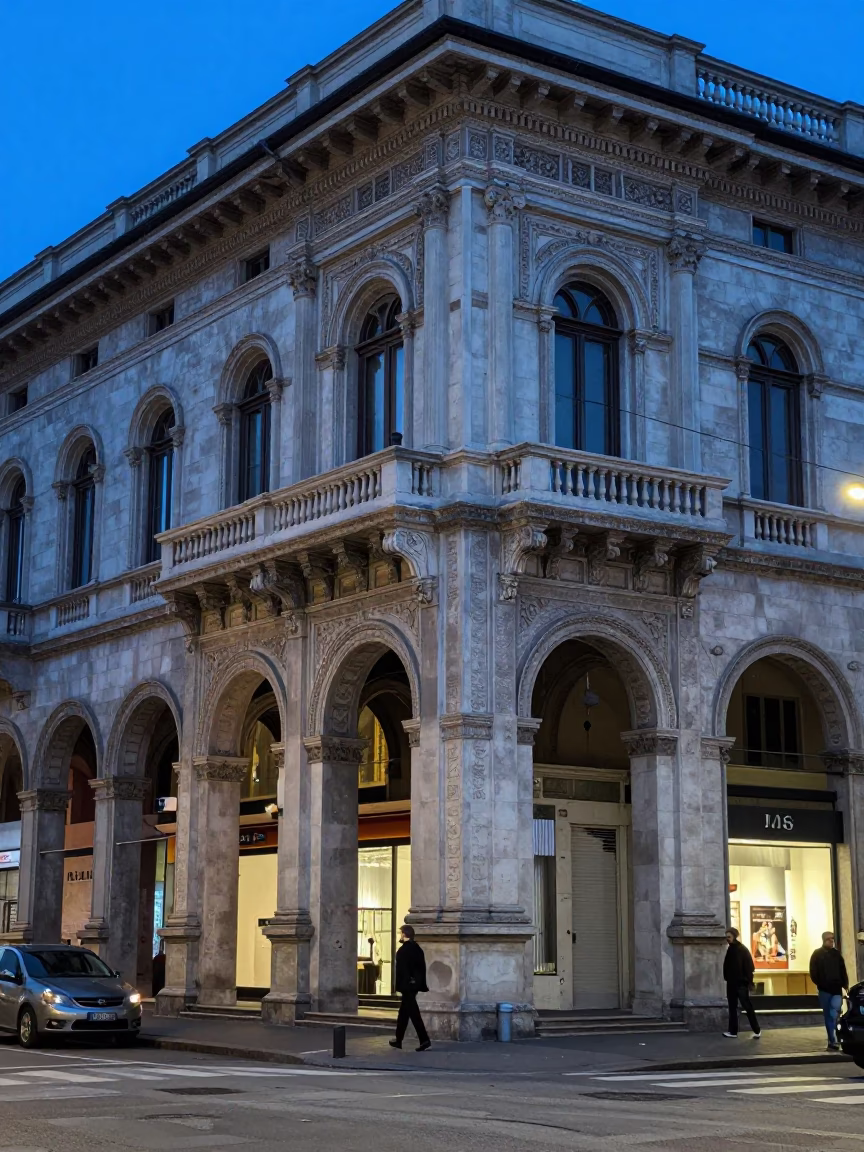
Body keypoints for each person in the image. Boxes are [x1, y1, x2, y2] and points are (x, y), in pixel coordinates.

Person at [389, 924, 431, 1052]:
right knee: (403, 1013)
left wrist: (406, 983)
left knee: (414, 1013)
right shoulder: (417, 948)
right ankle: (398, 1039)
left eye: (401, 933)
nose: (400, 935)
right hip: (414, 985)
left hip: (407, 986)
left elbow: (404, 970)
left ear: (404, 934)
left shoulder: (404, 950)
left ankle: (424, 1039)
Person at [809, 930, 848, 1050]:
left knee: (834, 1013)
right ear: (824, 940)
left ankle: (836, 1037)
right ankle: (832, 1040)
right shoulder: (817, 954)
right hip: (824, 990)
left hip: (836, 989)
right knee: (828, 1016)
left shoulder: (837, 954)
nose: (831, 941)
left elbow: (843, 970)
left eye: (833, 939)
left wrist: (845, 984)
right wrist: (820, 983)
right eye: (829, 939)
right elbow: (813, 972)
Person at [723, 927, 762, 1038]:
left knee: (746, 1006)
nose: (727, 939)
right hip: (733, 983)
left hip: (740, 983)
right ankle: (733, 1031)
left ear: (734, 936)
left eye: (729, 937)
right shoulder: (732, 949)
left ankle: (756, 1030)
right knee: (733, 1007)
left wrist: (749, 982)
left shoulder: (741, 949)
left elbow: (749, 967)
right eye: (726, 937)